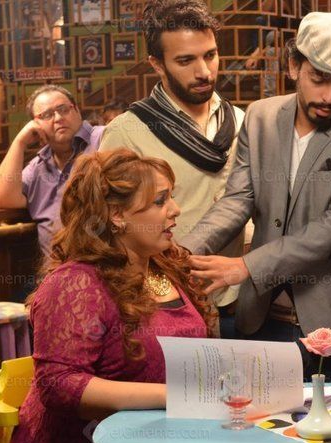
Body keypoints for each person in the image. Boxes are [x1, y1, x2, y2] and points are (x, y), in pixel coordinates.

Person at [182, 12, 331, 381]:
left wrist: (247, 266)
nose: (329, 97)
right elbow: (237, 199)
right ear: (294, 66)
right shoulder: (260, 117)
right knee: (257, 414)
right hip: (263, 316)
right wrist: (183, 252)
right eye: (319, 79)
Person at [2, 149, 213, 443]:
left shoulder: (164, 266)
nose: (175, 209)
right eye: (160, 201)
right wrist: (175, 396)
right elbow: (60, 385)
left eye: (171, 198)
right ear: (116, 216)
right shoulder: (75, 283)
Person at [99, 0, 245, 335]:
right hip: (168, 308)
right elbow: (109, 231)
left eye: (210, 55)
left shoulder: (240, 121)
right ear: (157, 64)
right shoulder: (127, 131)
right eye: (185, 60)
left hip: (241, 300)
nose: (204, 71)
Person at [0, 85, 104, 257]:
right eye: (47, 115)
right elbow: (4, 197)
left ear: (77, 110)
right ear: (35, 125)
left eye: (63, 109)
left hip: (107, 267)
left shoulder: (103, 139)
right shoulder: (38, 166)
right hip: (55, 270)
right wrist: (19, 142)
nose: (58, 118)